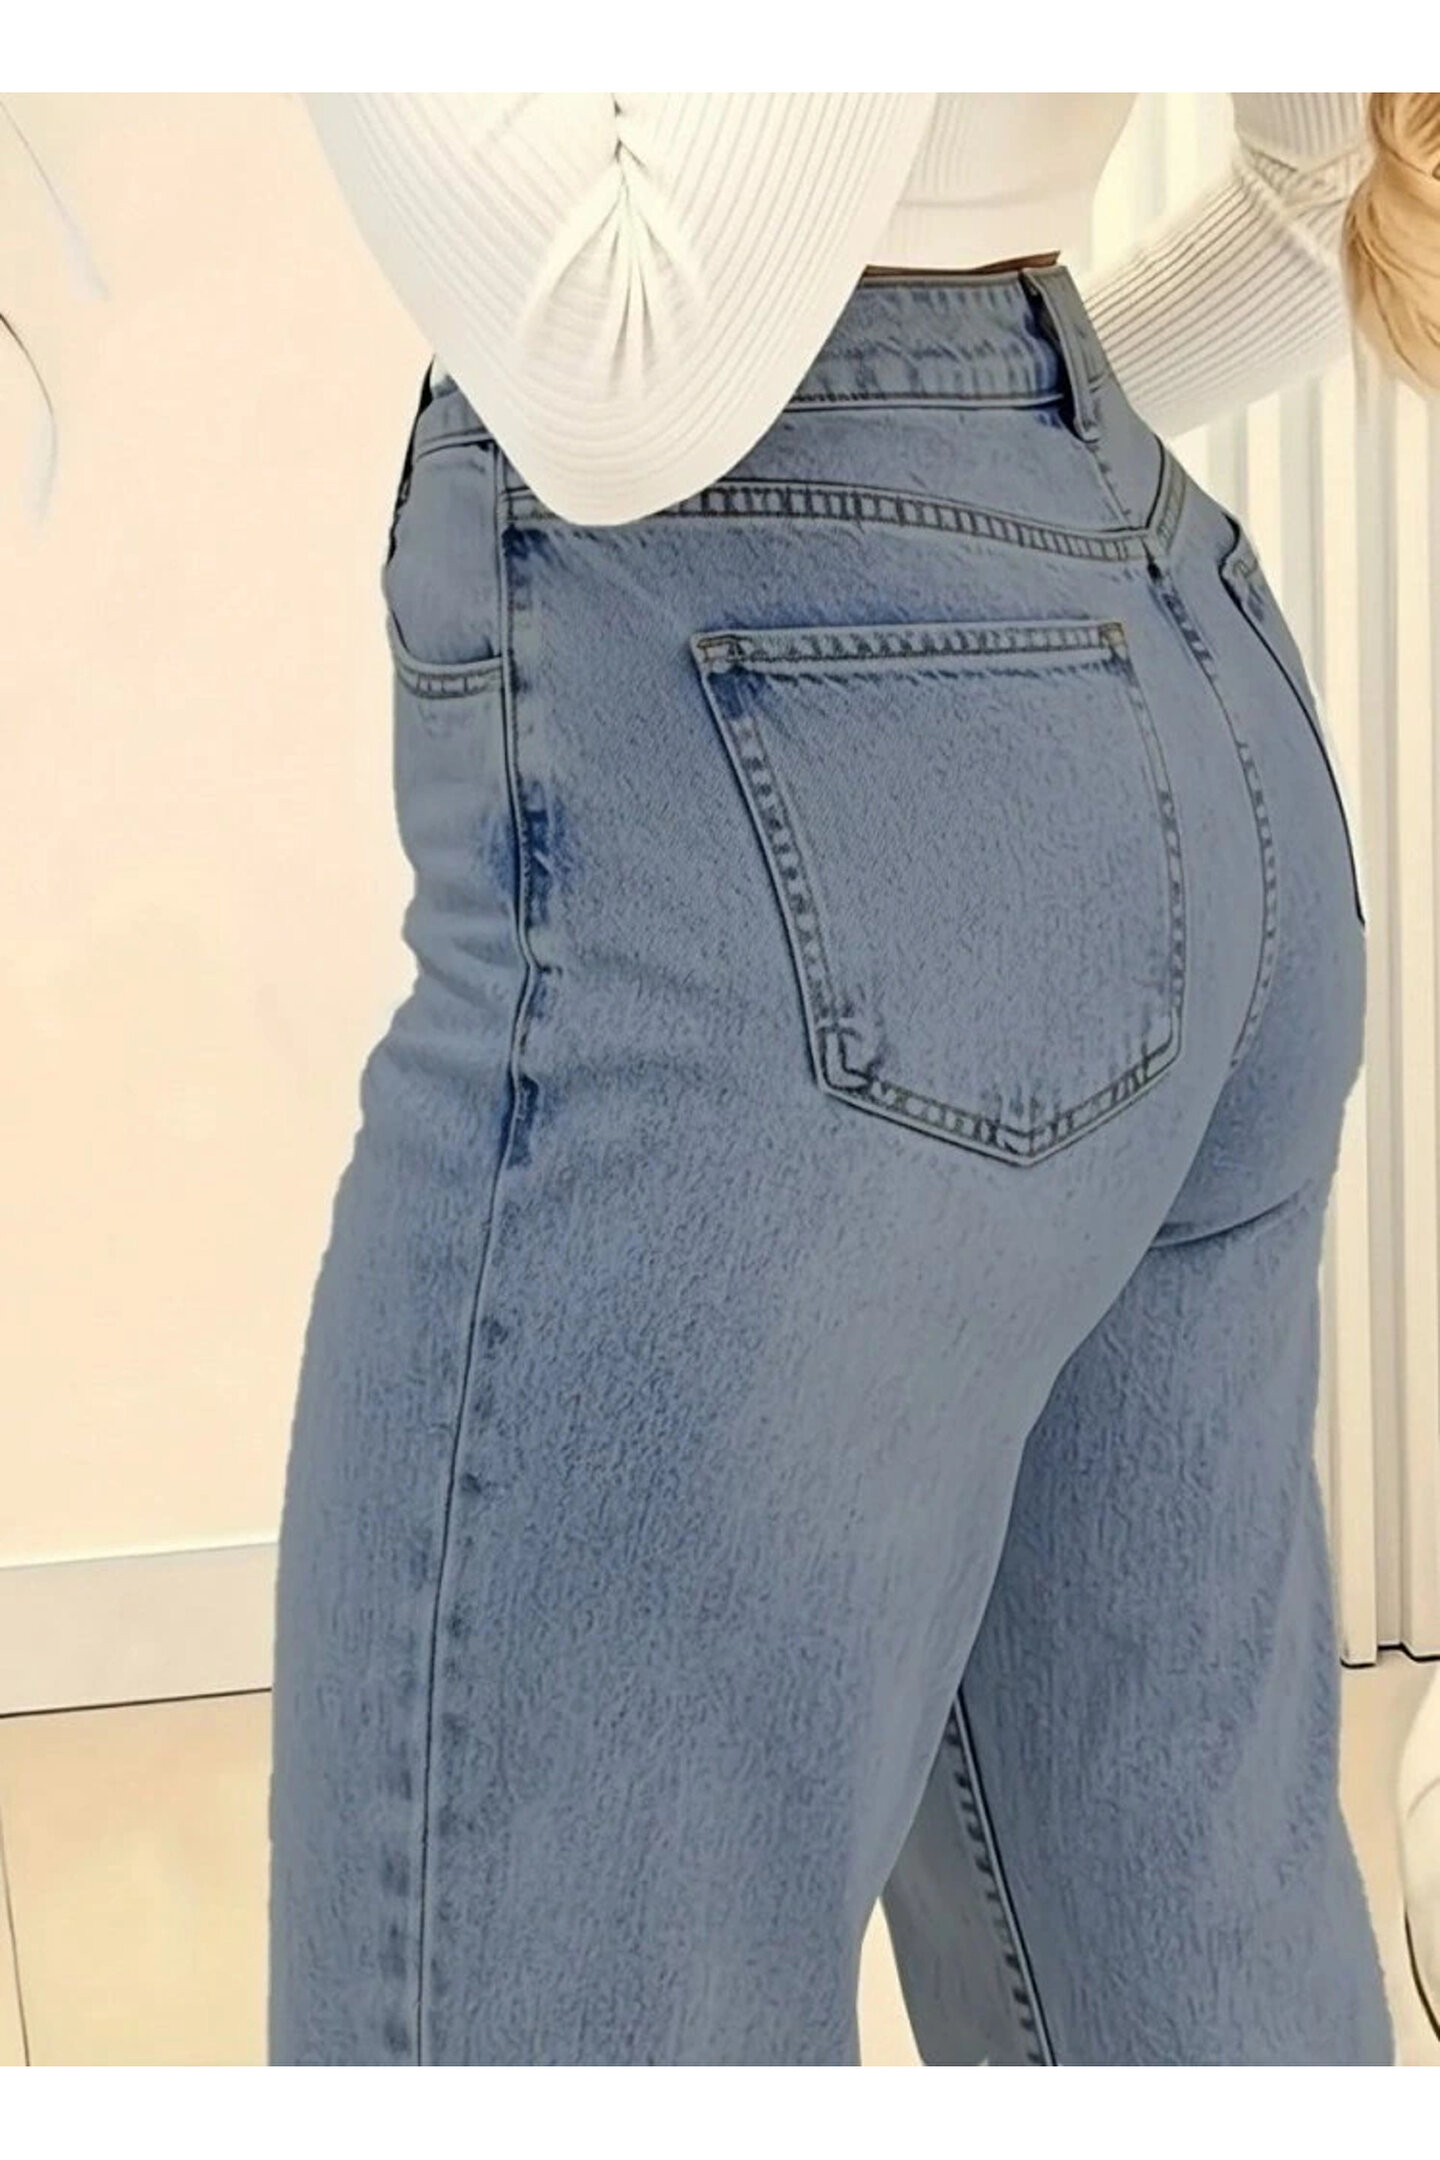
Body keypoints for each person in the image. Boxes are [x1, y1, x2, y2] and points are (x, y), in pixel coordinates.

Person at [254, 92, 1439, 2065]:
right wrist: (978, 511)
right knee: (1177, 1981)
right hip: (1153, 658)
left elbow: (619, 377)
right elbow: (1324, 193)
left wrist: (923, 532)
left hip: (793, 781)